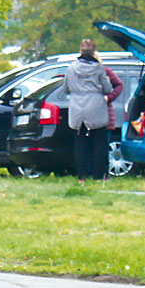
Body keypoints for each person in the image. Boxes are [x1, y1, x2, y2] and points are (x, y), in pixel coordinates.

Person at [62, 38, 113, 181]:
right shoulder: (98, 69)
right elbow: (107, 88)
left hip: (77, 108)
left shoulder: (71, 68)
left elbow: (65, 88)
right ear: (94, 52)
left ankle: (82, 177)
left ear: (80, 51)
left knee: (80, 144)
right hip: (96, 107)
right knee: (99, 144)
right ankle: (99, 176)